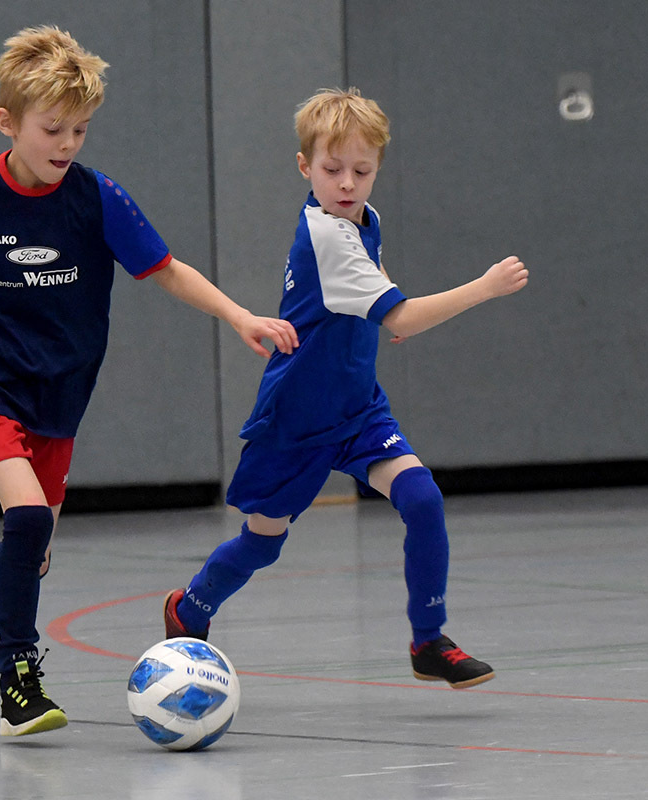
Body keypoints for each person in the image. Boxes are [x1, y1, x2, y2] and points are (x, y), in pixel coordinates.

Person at [0, 25, 297, 736]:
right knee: (25, 519)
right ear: (7, 123)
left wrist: (239, 315)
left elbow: (165, 268)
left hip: (59, 394)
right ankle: (17, 682)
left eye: (80, 130)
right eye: (52, 128)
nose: (66, 144)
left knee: (35, 551)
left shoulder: (96, 198)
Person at [163, 87, 529, 690]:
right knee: (263, 544)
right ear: (305, 167)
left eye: (362, 170)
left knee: (422, 500)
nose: (347, 183)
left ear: (378, 167)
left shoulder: (362, 219)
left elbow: (377, 284)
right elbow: (403, 317)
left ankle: (427, 640)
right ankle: (190, 606)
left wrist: (380, 302)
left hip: (358, 408)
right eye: (332, 170)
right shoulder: (327, 236)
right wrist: (483, 287)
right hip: (297, 417)